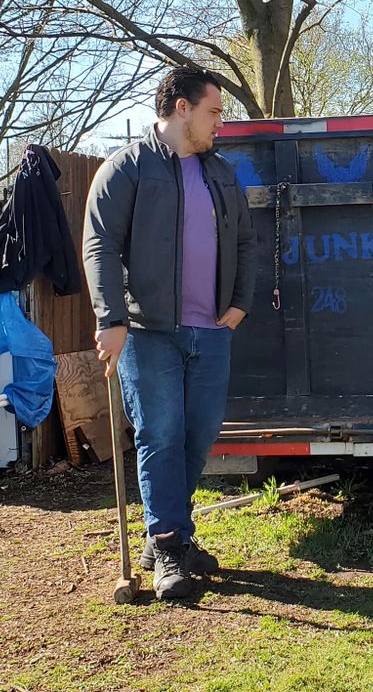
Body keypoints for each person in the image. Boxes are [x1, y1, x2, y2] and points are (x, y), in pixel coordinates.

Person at [83, 66, 256, 600]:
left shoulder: (221, 173)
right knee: (160, 434)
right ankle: (165, 544)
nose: (220, 123)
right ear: (181, 107)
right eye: (214, 111)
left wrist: (239, 305)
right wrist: (110, 319)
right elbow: (100, 245)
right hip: (147, 330)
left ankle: (175, 533)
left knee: (197, 436)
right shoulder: (126, 170)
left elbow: (247, 242)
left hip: (212, 332)